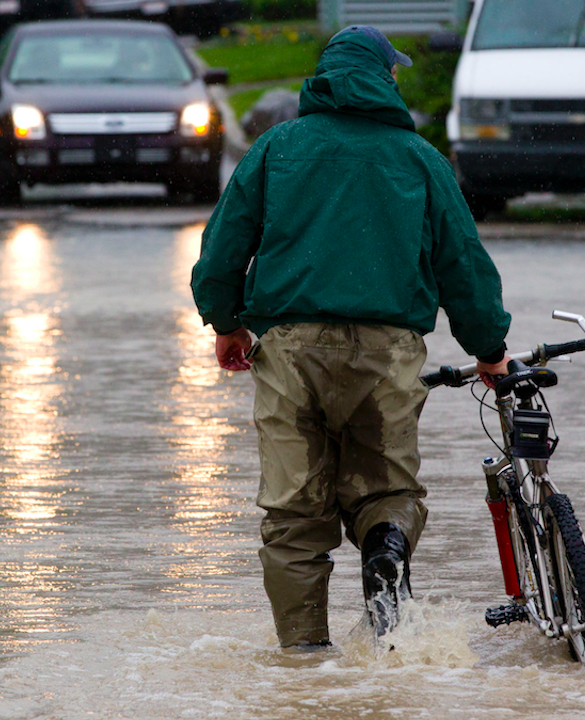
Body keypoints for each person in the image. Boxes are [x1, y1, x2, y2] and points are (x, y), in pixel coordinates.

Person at [190, 26, 512, 649]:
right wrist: (489, 349)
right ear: (382, 78)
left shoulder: (276, 148)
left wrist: (228, 323)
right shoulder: (418, 158)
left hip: (289, 351)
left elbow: (221, 251)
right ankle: (386, 547)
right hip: (387, 352)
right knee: (387, 491)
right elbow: (463, 266)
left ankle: (307, 665)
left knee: (294, 517)